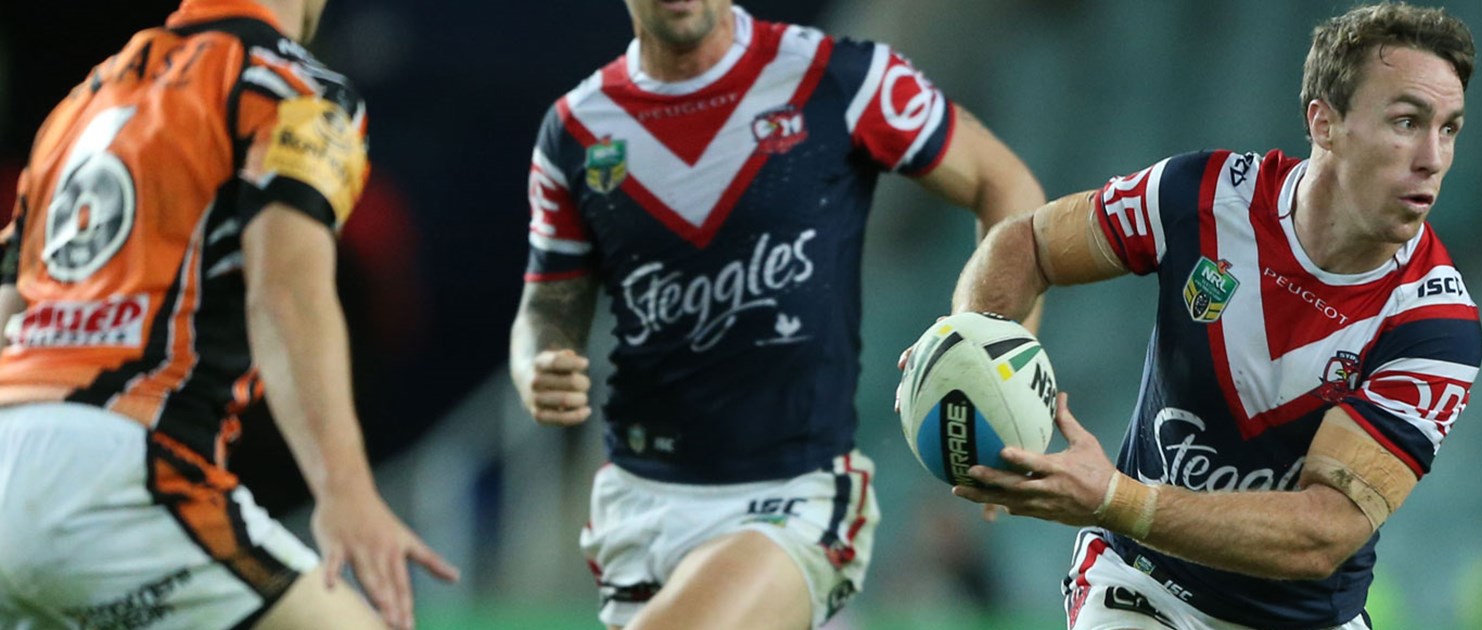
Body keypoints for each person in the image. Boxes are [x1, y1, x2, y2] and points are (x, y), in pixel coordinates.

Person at [933, 4, 1482, 629]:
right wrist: (971, 356)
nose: (1433, 157)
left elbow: (1323, 533)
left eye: (1449, 129)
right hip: (1141, 584)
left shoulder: (1437, 326)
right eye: (1407, 121)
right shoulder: (1203, 196)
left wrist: (1113, 498)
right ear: (1325, 123)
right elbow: (1027, 244)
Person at [508, 0, 1045, 628]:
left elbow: (1005, 185)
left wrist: (990, 373)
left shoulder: (837, 77)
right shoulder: (576, 129)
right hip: (637, 506)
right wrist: (536, 359)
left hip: (796, 493)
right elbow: (547, 299)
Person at [0, 0, 457, 627]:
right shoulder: (292, 88)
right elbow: (286, 291)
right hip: (118, 472)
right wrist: (345, 491)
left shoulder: (81, 105)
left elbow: (12, 305)